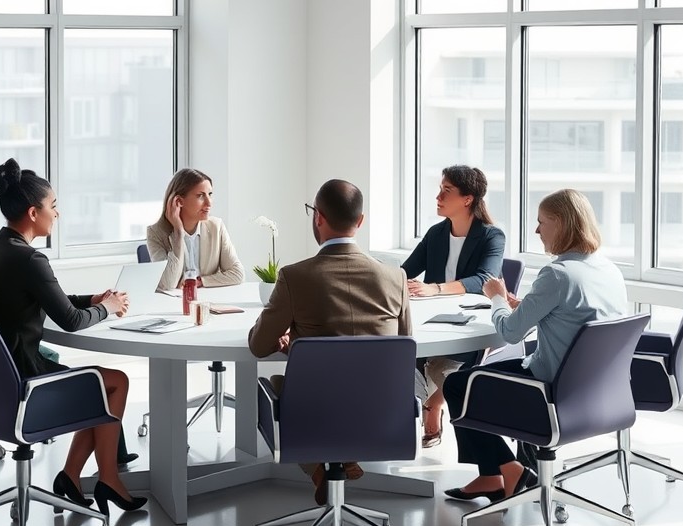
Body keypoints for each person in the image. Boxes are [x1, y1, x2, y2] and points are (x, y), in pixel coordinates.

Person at [0, 158, 146, 516]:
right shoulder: (30, 260)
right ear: (34, 213)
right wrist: (106, 308)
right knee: (115, 383)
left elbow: (45, 298)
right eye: (54, 206)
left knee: (97, 385)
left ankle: (72, 478)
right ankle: (107, 477)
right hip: (24, 381)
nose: (57, 214)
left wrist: (94, 299)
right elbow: (72, 321)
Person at [442, 189, 628, 502]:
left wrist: (496, 297)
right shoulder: (609, 270)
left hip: (547, 392)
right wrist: (525, 305)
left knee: (459, 383)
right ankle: (491, 478)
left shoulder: (558, 274)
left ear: (562, 224)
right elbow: (572, 316)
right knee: (475, 378)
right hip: (596, 392)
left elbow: (510, 333)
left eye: (542, 222)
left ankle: (508, 468)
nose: (537, 230)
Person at [249, 179, 411, 505]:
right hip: (380, 412)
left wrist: (300, 345)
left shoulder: (296, 277)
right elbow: (402, 347)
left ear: (318, 218)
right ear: (360, 221)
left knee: (269, 388)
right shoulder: (396, 278)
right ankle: (346, 453)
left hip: (315, 412)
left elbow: (259, 345)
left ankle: (318, 469)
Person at [401, 165, 505, 449]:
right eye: (440, 189)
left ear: (467, 199)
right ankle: (416, 413)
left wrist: (434, 288)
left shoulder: (491, 236)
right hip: (432, 322)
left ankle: (433, 403)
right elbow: (405, 272)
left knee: (442, 369)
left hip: (469, 325)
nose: (438, 196)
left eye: (446, 191)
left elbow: (484, 279)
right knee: (401, 355)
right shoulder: (436, 234)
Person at [146, 168, 244, 292]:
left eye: (210, 194)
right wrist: (178, 232)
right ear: (179, 201)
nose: (209, 203)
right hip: (173, 306)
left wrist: (201, 281)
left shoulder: (216, 227)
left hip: (209, 301)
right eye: (200, 196)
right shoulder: (156, 233)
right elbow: (168, 284)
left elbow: (237, 274)